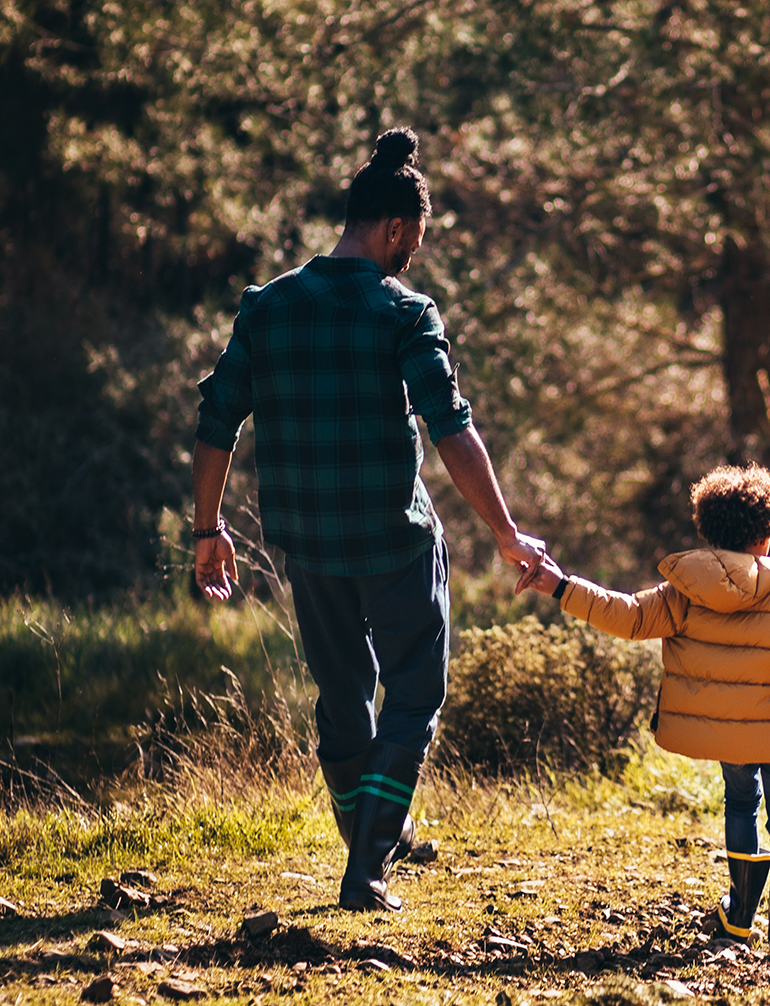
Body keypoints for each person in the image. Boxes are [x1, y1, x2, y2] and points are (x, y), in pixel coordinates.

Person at [189, 128, 544, 912]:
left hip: (308, 543)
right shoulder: (404, 311)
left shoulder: (268, 307)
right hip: (394, 537)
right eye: (412, 239)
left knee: (342, 693)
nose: (412, 254)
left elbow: (217, 421)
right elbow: (450, 427)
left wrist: (207, 530)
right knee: (416, 692)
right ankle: (368, 867)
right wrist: (505, 531)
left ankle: (374, 837)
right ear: (392, 226)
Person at [516, 463, 770, 955]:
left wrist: (560, 585)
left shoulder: (685, 591)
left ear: (709, 528)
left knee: (740, 804)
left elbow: (625, 616)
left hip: (727, 739)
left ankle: (738, 919)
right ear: (768, 533)